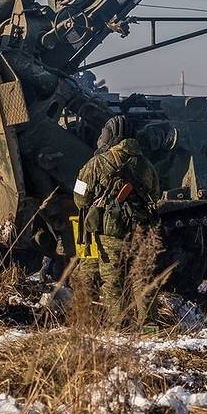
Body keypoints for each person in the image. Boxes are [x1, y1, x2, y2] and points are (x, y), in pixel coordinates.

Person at [72, 115, 162, 326]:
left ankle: (118, 329)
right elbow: (156, 194)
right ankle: (150, 331)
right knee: (143, 280)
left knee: (112, 283)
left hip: (109, 233)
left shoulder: (97, 164)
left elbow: (79, 198)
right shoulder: (146, 164)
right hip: (141, 230)